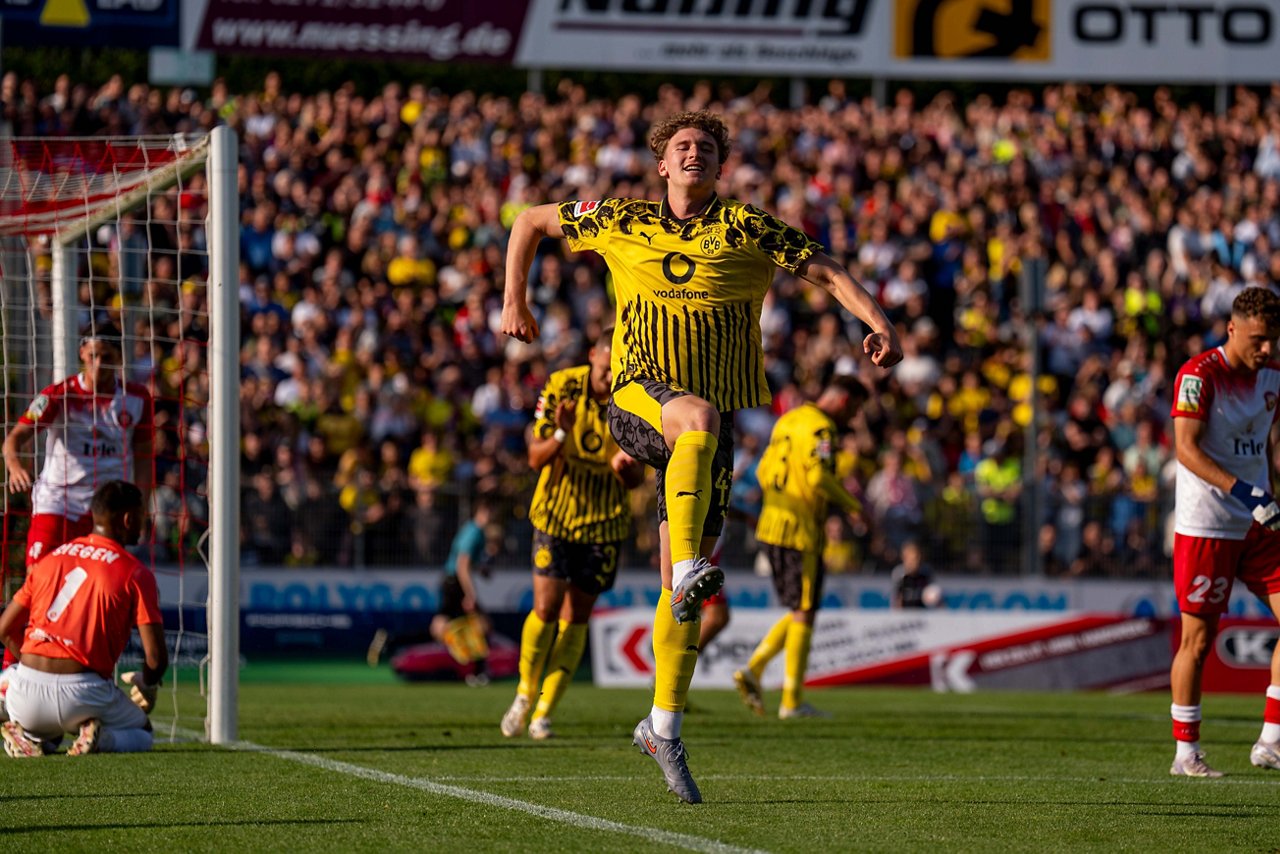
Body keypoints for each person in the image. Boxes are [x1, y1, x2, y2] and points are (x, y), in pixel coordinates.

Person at [503, 110, 900, 802]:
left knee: (678, 595)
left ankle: (663, 724)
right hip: (635, 395)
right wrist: (515, 298)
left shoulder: (747, 227)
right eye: (683, 146)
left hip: (703, 438)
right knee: (696, 422)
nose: (694, 154)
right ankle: (688, 570)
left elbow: (827, 270)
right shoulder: (619, 219)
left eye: (706, 148)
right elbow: (530, 221)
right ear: (662, 164)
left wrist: (879, 322)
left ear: (720, 166)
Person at [501, 325, 645, 740]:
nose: (612, 372)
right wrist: (562, 432)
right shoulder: (563, 386)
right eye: (607, 363)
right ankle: (525, 695)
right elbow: (534, 457)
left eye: (619, 364)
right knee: (545, 609)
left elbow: (636, 479)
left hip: (604, 523)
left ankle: (546, 710)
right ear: (593, 354)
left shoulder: (634, 397)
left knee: (576, 616)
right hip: (556, 515)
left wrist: (628, 470)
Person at [1168, 287, 1280, 777]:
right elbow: (1186, 450)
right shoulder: (1198, 376)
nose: (1268, 351)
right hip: (1207, 524)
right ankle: (1185, 754)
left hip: (1259, 522)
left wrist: (1266, 493)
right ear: (1232, 329)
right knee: (1198, 640)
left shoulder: (1273, 374)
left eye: (1274, 340)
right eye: (1259, 340)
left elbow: (1262, 445)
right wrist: (1245, 492)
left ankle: (1271, 741)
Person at [1, 327, 153, 670]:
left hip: (105, 514)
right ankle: (11, 676)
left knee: (103, 597)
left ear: (119, 360)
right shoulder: (59, 395)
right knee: (37, 588)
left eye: (107, 358)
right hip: (57, 505)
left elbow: (144, 454)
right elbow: (15, 439)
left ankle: (94, 676)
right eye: (93, 356)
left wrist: (141, 503)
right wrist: (14, 465)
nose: (99, 365)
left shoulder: (137, 399)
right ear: (82, 356)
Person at [732, 376, 867, 720]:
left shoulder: (787, 420)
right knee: (805, 610)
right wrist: (854, 507)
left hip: (771, 523)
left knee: (799, 609)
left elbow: (763, 471)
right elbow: (818, 478)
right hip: (799, 529)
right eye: (854, 409)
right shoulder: (822, 429)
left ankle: (755, 670)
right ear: (842, 400)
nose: (853, 418)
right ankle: (790, 700)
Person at [0, 480, 166, 757]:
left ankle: (27, 733)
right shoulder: (135, 572)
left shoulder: (49, 560)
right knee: (143, 734)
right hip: (84, 693)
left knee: (16, 685)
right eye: (141, 517)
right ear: (127, 519)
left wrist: (35, 663)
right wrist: (147, 684)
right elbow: (156, 658)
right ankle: (99, 740)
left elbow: (4, 629)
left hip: (26, 692)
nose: (143, 525)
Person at [430, 499, 497, 687]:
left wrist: (483, 570)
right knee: (482, 625)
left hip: (451, 581)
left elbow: (468, 563)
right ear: (482, 510)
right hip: (455, 583)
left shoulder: (476, 532)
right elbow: (462, 565)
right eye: (491, 511)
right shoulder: (474, 533)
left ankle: (473, 669)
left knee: (440, 624)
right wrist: (470, 594)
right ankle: (477, 671)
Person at [891, 540, 936, 609]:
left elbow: (934, 594)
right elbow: (896, 600)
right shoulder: (899, 574)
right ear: (904, 558)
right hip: (904, 615)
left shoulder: (926, 573)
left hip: (923, 614)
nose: (916, 562)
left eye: (918, 558)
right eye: (913, 559)